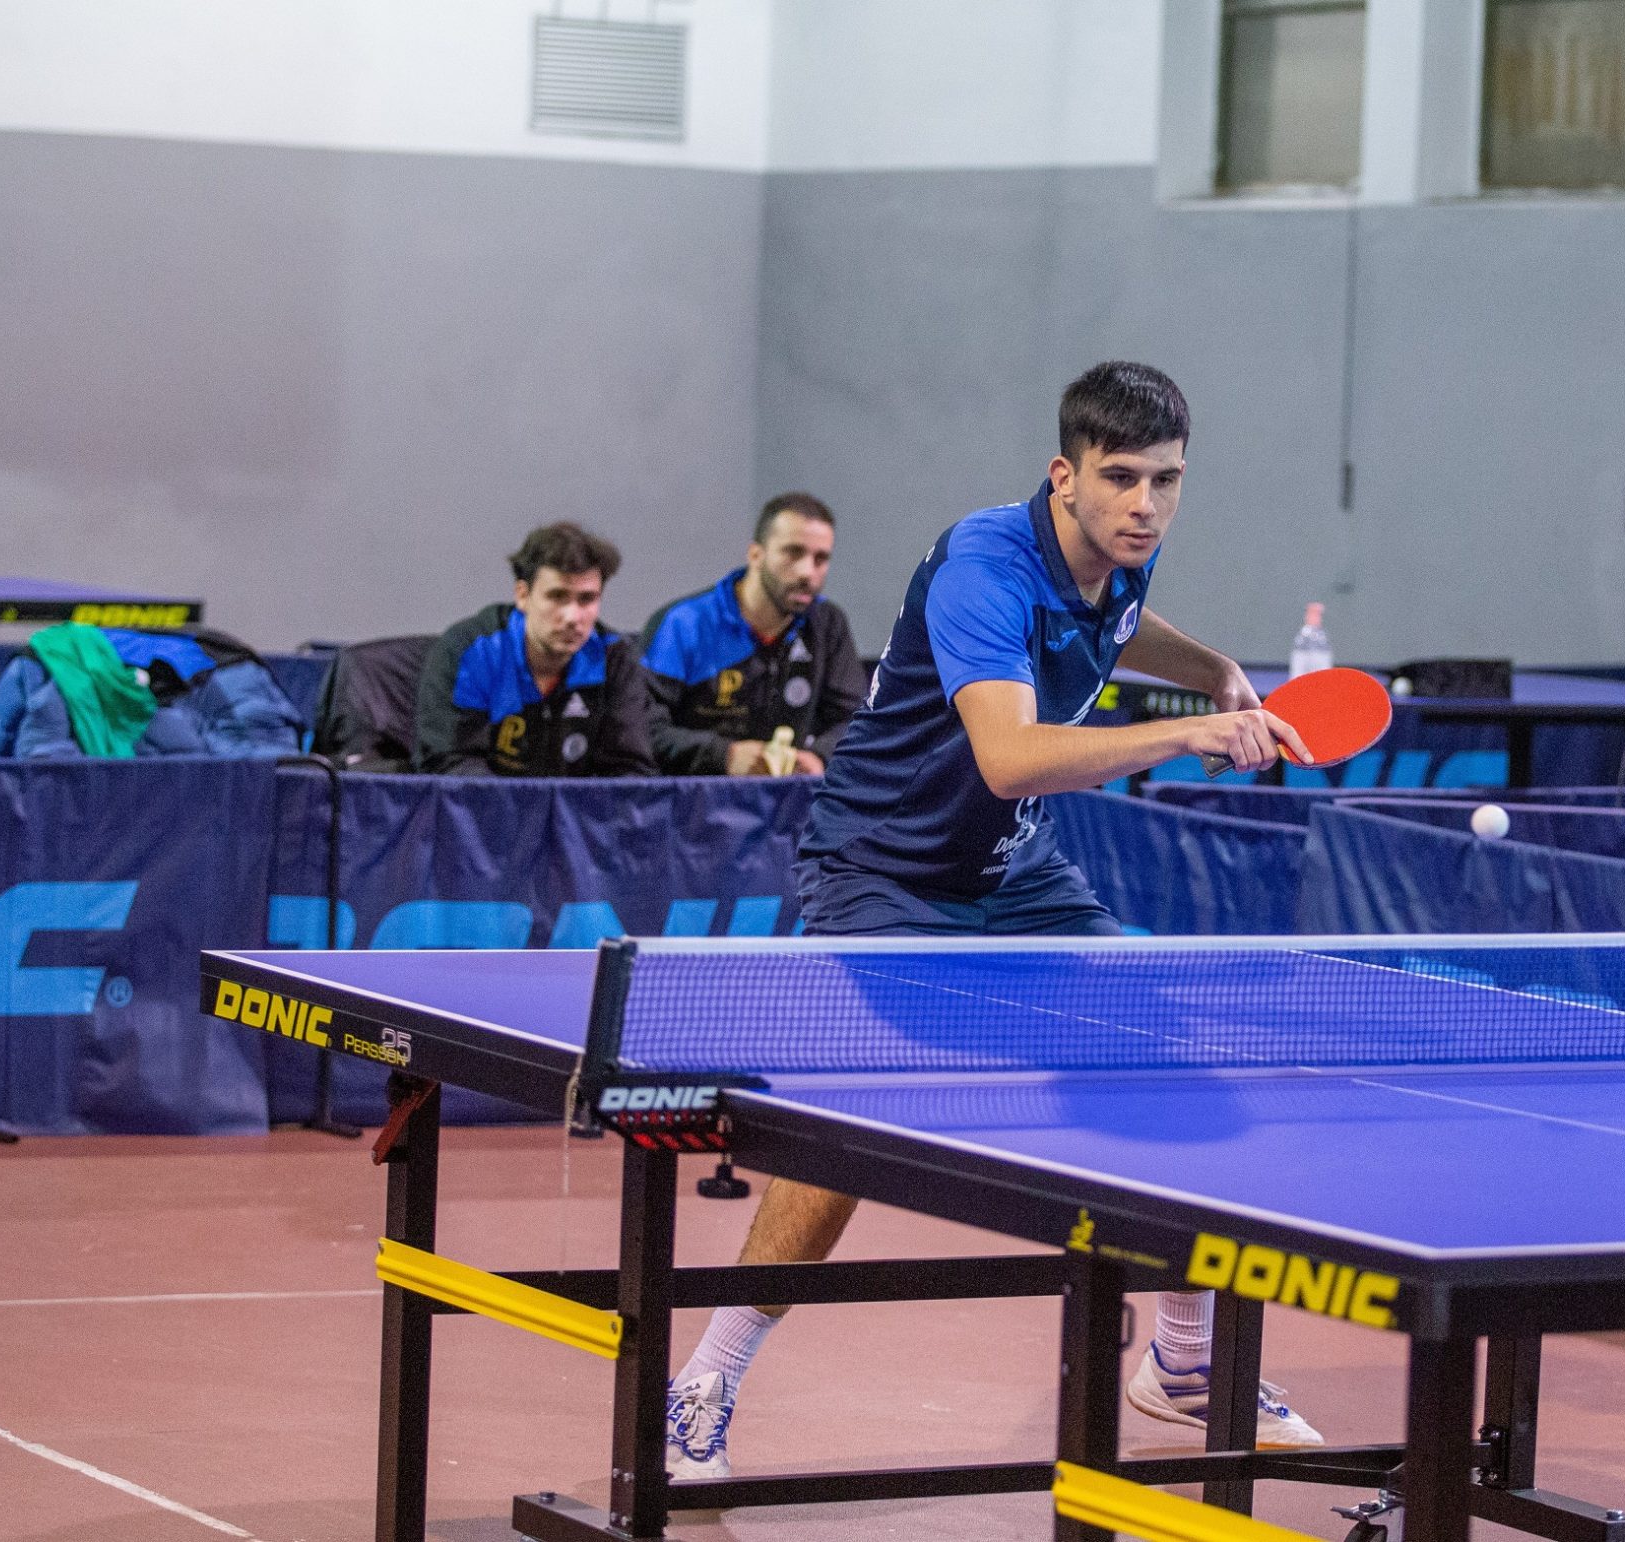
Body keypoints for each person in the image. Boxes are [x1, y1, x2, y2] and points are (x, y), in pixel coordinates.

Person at [662, 362, 1323, 1483]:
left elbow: (1117, 619)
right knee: (858, 1114)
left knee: (1164, 1047)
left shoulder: (1121, 544)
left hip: (1005, 868)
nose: (1145, 506)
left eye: (1166, 482)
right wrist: (1185, 736)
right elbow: (1011, 757)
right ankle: (706, 1378)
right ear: (1062, 476)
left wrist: (1208, 669)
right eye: (1120, 480)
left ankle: (1184, 1359)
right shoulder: (981, 567)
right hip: (880, 868)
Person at [639, 492, 867, 777]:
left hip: (789, 809)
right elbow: (642, 728)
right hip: (694, 806)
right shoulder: (684, 624)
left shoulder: (827, 624)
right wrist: (724, 756)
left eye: (820, 559)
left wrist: (820, 757)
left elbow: (856, 720)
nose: (808, 572)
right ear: (756, 555)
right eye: (793, 552)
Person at [414, 521, 654, 776]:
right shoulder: (472, 651)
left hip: (574, 815)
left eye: (587, 599)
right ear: (523, 595)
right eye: (557, 596)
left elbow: (631, 774)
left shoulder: (615, 659)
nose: (573, 616)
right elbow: (448, 765)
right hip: (487, 812)